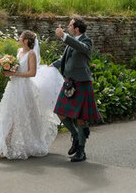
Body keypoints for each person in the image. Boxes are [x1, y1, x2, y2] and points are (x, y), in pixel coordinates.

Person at [0, 30, 64, 159]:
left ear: (26, 41)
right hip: (13, 87)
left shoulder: (31, 54)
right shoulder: (19, 51)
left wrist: (14, 73)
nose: (18, 39)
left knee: (23, 116)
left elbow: (32, 73)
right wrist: (6, 68)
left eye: (20, 37)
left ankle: (24, 145)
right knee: (7, 114)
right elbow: (17, 67)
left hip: (24, 88)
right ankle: (5, 146)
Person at [53, 17, 102, 163]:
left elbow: (81, 48)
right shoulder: (71, 42)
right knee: (60, 112)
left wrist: (64, 37)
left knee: (81, 118)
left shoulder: (86, 41)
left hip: (82, 83)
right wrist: (52, 65)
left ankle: (81, 150)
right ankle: (75, 135)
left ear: (77, 28)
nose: (68, 27)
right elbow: (67, 59)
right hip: (70, 82)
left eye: (70, 25)